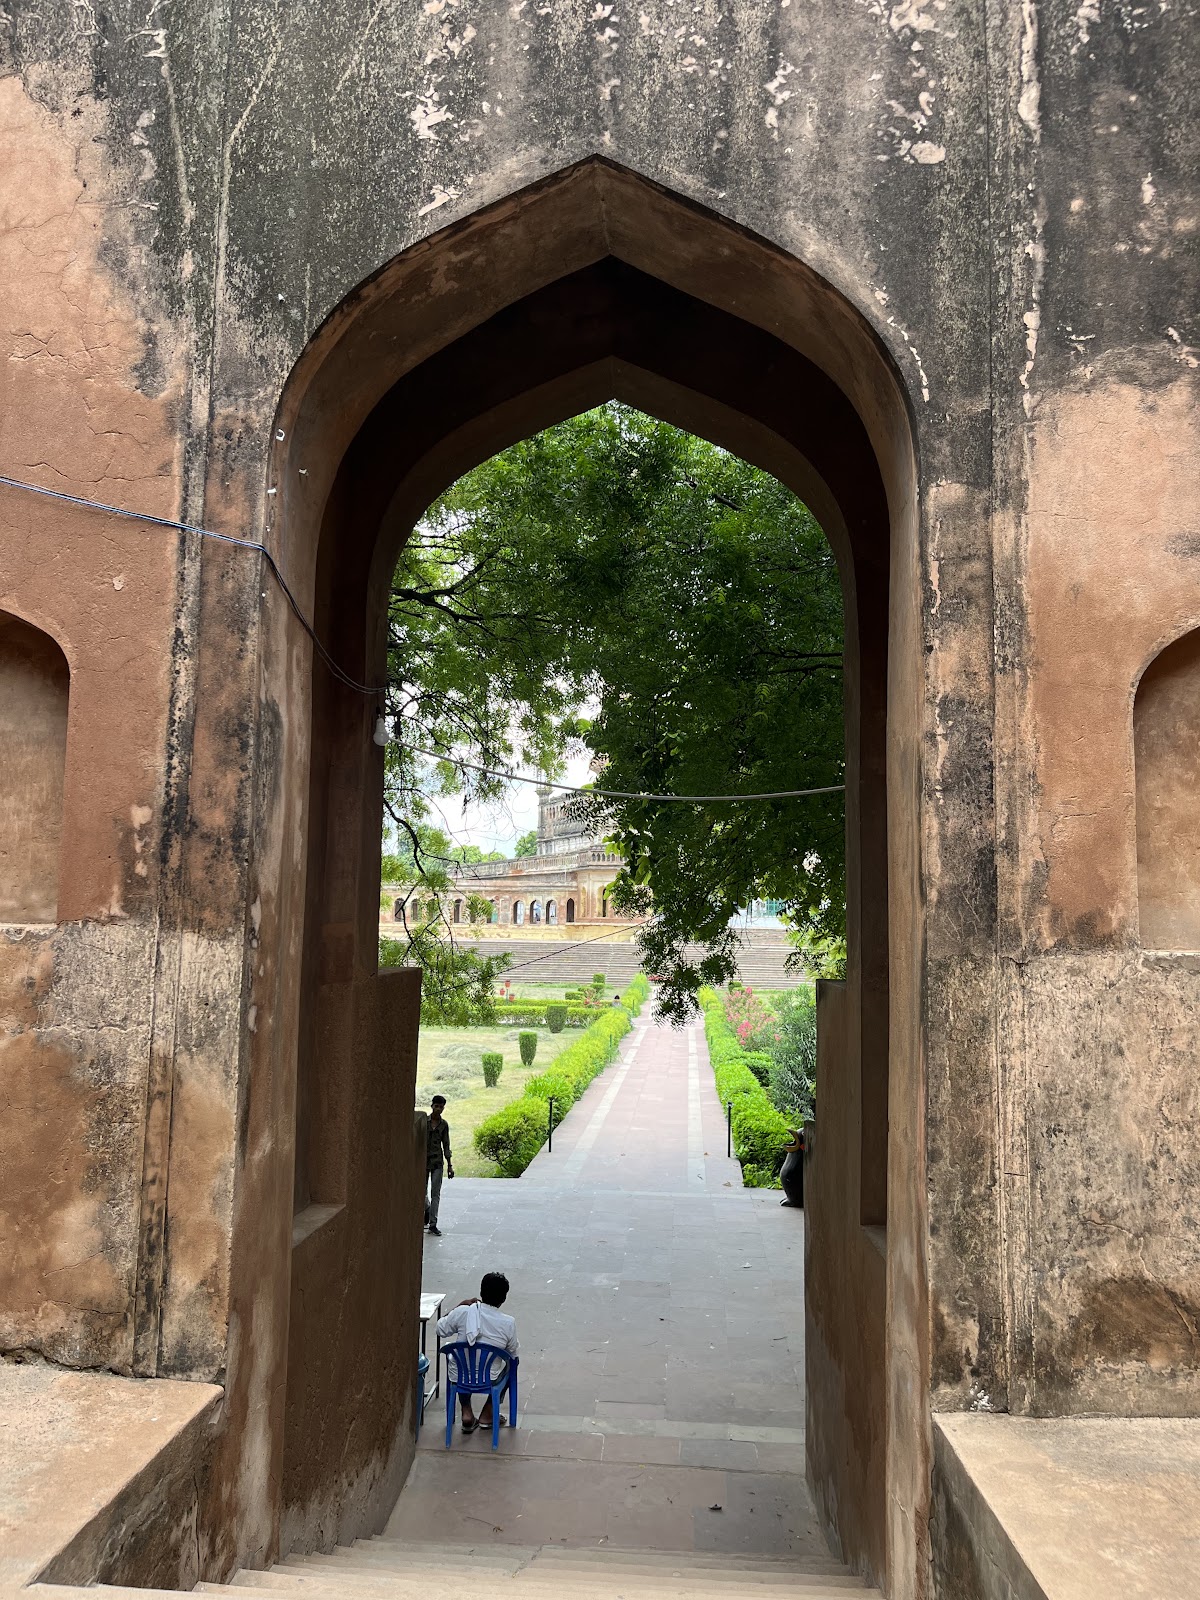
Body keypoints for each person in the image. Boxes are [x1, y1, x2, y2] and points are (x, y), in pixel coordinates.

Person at [437, 1271, 519, 1434]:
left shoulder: (464, 1312)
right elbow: (513, 1353)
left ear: (481, 1292)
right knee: (511, 1367)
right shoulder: (508, 1323)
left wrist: (460, 1306)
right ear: (503, 1299)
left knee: (462, 1366)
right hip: (489, 1377)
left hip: (459, 1375)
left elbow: (440, 1329)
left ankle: (466, 1412)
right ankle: (488, 1413)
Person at [420, 1094, 453, 1236]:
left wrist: (450, 1165)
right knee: (422, 1193)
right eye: (436, 1106)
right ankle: (427, 1210)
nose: (438, 1109)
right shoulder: (424, 1122)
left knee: (435, 1194)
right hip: (423, 1162)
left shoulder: (444, 1125)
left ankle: (433, 1223)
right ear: (432, 1106)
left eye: (441, 1107)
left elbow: (446, 1145)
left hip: (437, 1162)